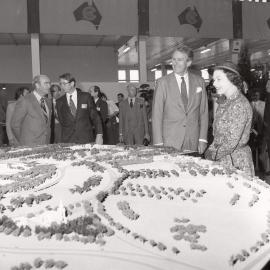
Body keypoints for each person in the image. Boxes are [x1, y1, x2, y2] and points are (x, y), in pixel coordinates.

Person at [152, 45, 208, 153]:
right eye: (173, 59)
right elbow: (157, 115)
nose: (174, 63)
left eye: (179, 60)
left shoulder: (199, 82)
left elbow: (203, 112)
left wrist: (202, 139)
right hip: (169, 141)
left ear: (188, 63)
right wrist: (158, 143)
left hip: (193, 140)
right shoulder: (162, 83)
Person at [205, 62, 254, 177]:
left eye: (219, 79)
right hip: (225, 160)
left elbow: (231, 142)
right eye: (214, 80)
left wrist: (211, 154)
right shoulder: (227, 102)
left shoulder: (239, 105)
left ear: (232, 79)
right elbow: (217, 135)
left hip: (236, 163)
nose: (214, 83)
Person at [56, 73, 103, 144]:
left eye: (64, 83)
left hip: (86, 138)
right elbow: (62, 122)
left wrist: (99, 135)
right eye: (60, 83)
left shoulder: (86, 97)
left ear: (72, 83)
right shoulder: (59, 101)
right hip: (68, 140)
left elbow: (95, 117)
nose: (62, 86)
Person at [11, 75, 52, 146]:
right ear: (37, 85)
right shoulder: (25, 100)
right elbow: (15, 125)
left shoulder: (48, 102)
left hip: (46, 143)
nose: (49, 86)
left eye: (49, 83)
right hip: (29, 144)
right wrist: (23, 141)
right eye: (46, 83)